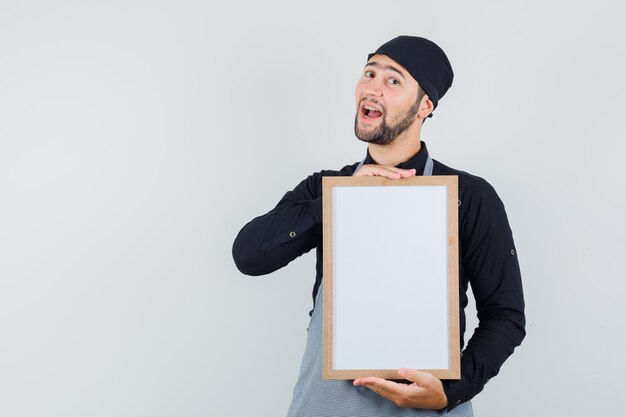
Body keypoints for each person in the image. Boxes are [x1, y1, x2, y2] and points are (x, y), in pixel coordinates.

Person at [232, 36, 525, 417]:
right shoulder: (325, 189)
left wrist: (449, 392)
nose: (371, 86)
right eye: (369, 73)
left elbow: (506, 315)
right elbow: (249, 256)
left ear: (425, 106)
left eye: (393, 80)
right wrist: (341, 199)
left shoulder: (469, 197)